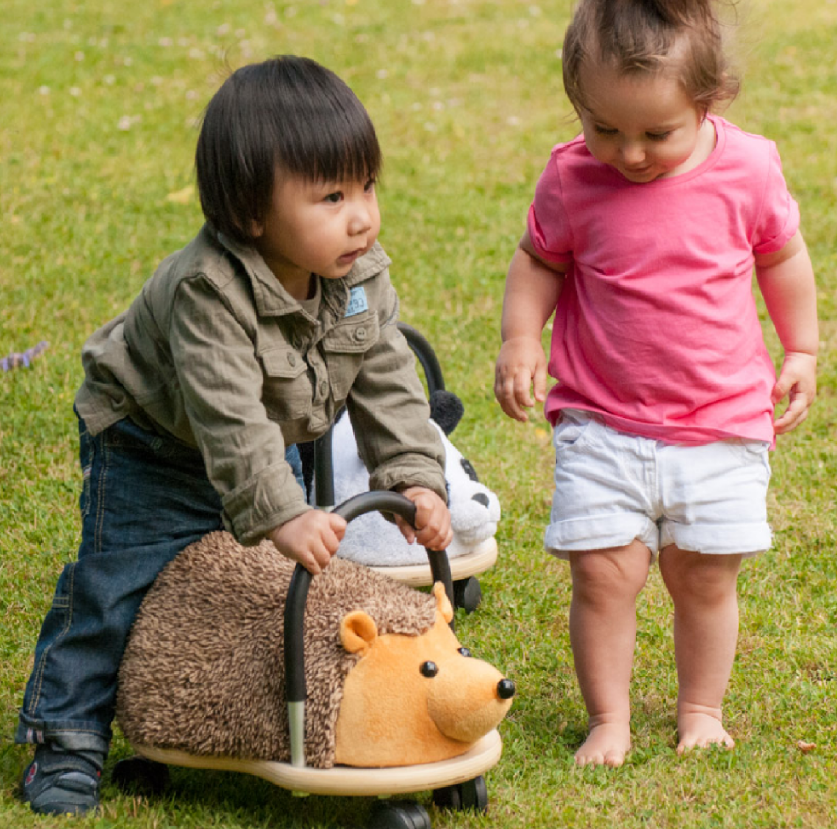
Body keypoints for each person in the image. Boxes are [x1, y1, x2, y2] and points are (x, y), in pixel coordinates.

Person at [17, 55, 452, 815]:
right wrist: (280, 510)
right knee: (121, 582)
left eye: (367, 187)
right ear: (252, 215)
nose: (361, 216)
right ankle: (66, 734)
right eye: (331, 196)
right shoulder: (207, 290)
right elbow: (229, 416)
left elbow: (386, 380)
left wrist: (416, 477)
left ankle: (227, 708)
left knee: (255, 586)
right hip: (153, 444)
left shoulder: (357, 278)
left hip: (261, 434)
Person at [495, 0, 817, 768]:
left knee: (703, 577)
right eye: (604, 128)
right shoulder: (573, 175)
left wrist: (800, 347)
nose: (629, 153)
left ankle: (700, 708)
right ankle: (608, 717)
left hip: (719, 421)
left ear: (708, 101)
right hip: (601, 419)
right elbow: (540, 261)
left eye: (655, 133)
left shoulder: (746, 167)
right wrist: (518, 337)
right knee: (603, 575)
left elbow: (781, 256)